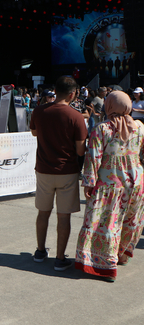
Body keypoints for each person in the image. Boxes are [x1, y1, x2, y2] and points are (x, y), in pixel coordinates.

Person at [75, 91, 144, 282]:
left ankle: (106, 264)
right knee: (131, 221)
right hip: (137, 182)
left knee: (106, 223)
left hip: (110, 184)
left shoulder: (102, 129)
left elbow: (93, 158)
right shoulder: (139, 127)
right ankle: (122, 255)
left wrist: (89, 183)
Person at [29, 76, 87, 271]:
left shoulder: (38, 111)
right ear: (72, 94)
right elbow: (80, 151)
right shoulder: (76, 116)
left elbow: (34, 133)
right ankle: (60, 258)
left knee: (43, 213)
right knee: (64, 217)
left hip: (44, 170)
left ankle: (39, 250)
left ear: (55, 90)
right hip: (67, 172)